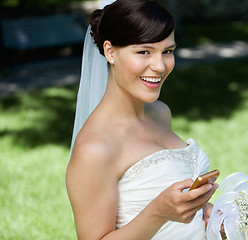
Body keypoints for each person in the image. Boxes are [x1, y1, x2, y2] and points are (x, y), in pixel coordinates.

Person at [65, 0, 219, 239]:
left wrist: (203, 212)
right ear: (110, 52)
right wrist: (158, 213)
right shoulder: (95, 148)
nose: (159, 66)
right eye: (144, 51)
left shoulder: (160, 113)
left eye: (167, 51)